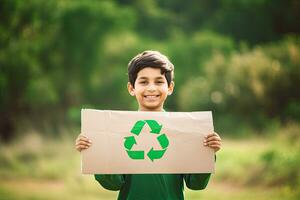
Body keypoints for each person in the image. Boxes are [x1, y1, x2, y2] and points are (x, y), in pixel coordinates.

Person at [75, 50, 222, 200]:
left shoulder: (184, 129)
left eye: (159, 81)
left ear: (170, 87)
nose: (151, 88)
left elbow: (196, 184)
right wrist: (94, 151)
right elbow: (113, 184)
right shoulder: (118, 130)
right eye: (144, 82)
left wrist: (208, 152)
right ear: (131, 88)